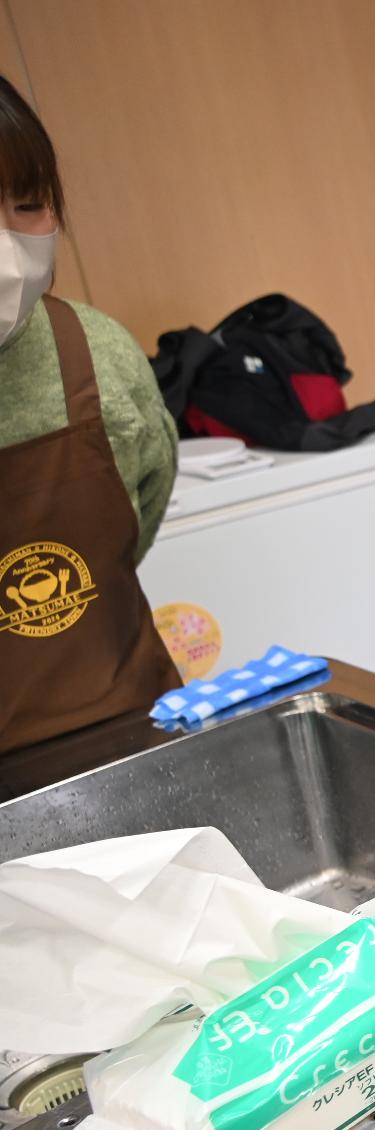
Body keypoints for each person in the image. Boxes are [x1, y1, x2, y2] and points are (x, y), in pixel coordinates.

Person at [0, 76, 180, 755]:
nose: (7, 245)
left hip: (131, 733)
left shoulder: (97, 353)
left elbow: (142, 511)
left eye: (28, 204)